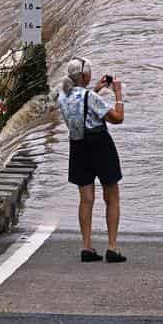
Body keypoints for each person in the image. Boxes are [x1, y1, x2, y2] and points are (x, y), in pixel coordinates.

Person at [57, 56, 126, 263]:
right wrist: (118, 94)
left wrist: (94, 89)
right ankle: (112, 247)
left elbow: (80, 103)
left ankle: (86, 246)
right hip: (100, 144)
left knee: (86, 199)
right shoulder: (90, 97)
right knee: (111, 196)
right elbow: (117, 118)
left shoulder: (63, 96)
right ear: (85, 75)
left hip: (78, 146)